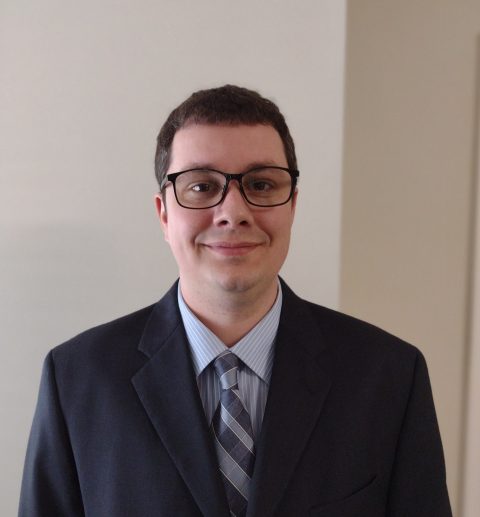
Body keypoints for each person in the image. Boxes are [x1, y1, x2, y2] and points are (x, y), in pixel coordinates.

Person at [19, 85, 452, 517]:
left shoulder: (389, 378)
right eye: (202, 186)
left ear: (292, 206)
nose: (233, 212)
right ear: (164, 214)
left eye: (261, 184)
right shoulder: (77, 380)